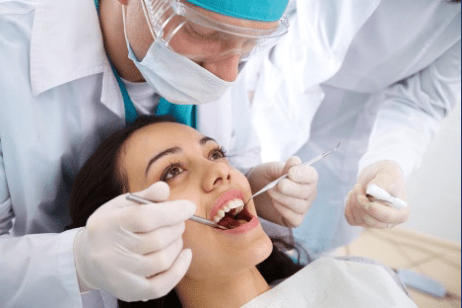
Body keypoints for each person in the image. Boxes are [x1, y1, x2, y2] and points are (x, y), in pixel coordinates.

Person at [0, 0, 318, 307]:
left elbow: (238, 147)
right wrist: (78, 261)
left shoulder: (224, 55)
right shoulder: (9, 56)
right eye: (204, 32)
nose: (228, 75)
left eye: (249, 45)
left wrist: (252, 185)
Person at [68, 115, 417, 308]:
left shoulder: (363, 280)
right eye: (172, 171)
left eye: (215, 154)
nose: (221, 171)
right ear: (130, 237)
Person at [243, 0, 461, 254]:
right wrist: (244, 83)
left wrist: (389, 164)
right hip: (272, 90)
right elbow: (271, 13)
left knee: (295, 255)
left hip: (344, 137)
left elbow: (422, 101)